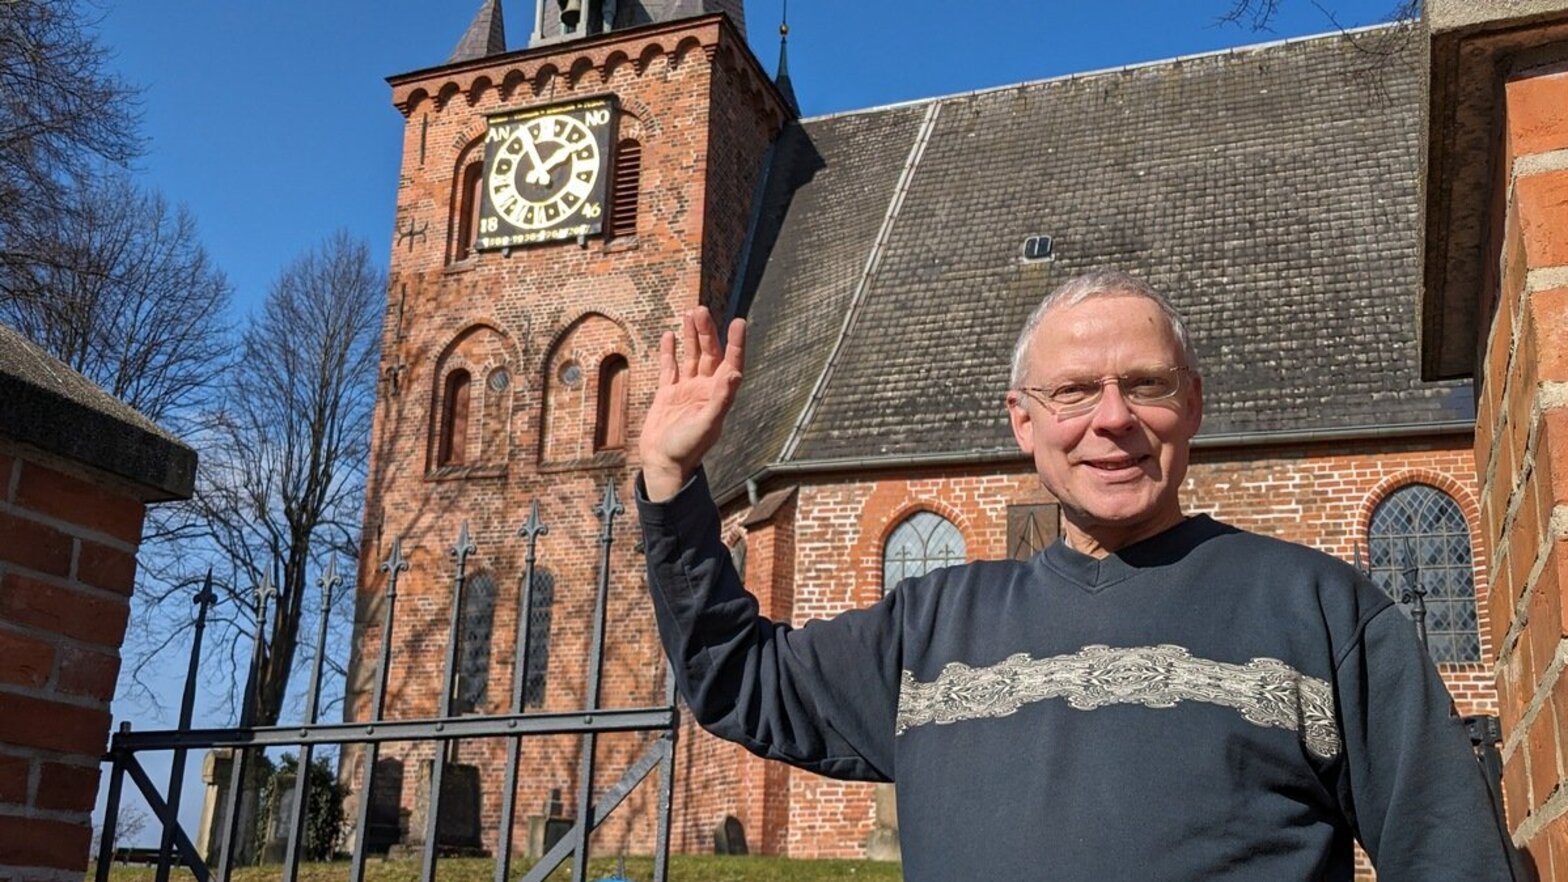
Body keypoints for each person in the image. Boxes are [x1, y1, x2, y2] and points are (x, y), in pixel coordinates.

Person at [634, 270, 1516, 881]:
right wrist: (671, 483)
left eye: (1145, 385)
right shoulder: (931, 630)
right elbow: (736, 677)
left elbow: (1448, 854)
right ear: (1023, 422)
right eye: (1072, 393)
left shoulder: (1321, 611)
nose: (1112, 419)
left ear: (1193, 405)